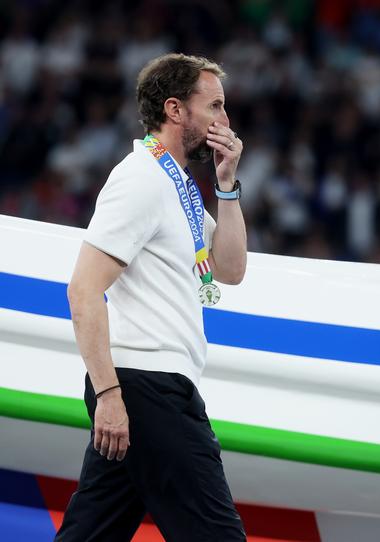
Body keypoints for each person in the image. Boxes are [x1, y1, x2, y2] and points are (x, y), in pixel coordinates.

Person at [56, 53, 247, 541]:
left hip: (145, 387)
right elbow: (83, 290)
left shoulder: (177, 184)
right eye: (216, 106)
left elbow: (230, 269)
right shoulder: (140, 178)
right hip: (147, 388)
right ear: (175, 110)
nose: (225, 121)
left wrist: (227, 187)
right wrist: (109, 395)